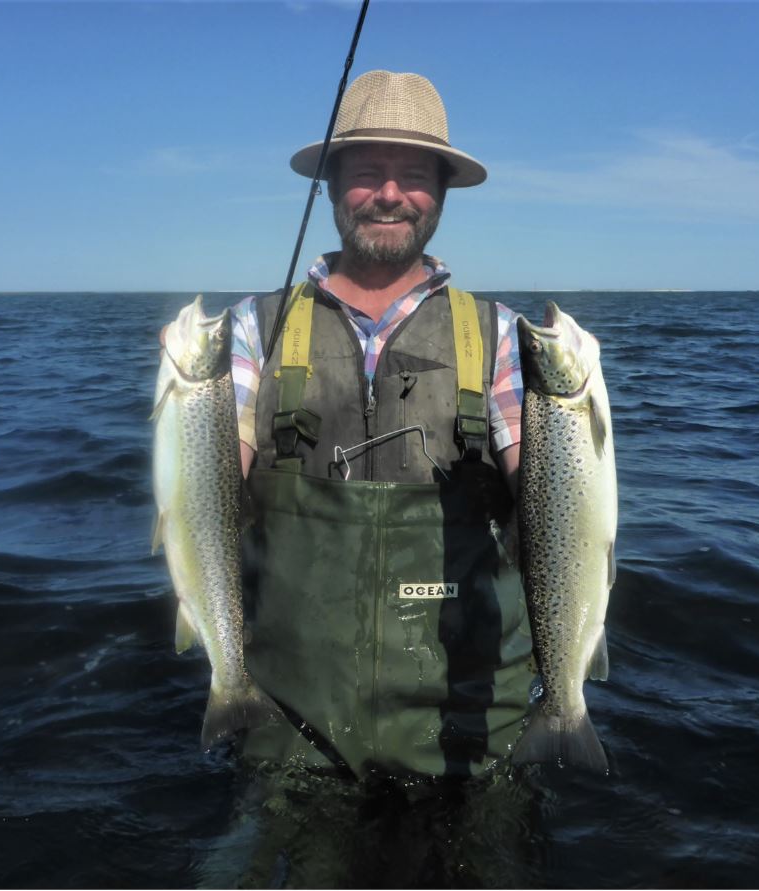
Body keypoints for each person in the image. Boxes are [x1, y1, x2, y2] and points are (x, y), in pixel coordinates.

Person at [172, 70, 576, 886]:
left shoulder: (502, 339)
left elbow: (555, 502)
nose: (389, 194)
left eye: (414, 174)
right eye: (366, 171)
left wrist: (578, 438)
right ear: (330, 185)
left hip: (474, 742)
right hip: (291, 735)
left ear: (440, 194)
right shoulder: (249, 334)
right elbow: (205, 497)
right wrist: (186, 417)